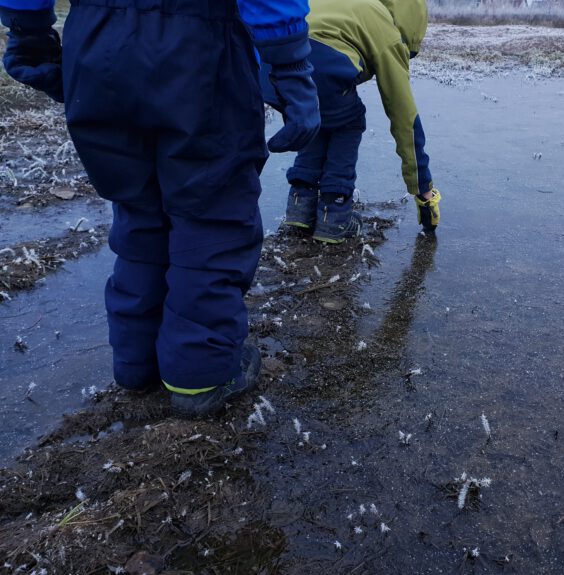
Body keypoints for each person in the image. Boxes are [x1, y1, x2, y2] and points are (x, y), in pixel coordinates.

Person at [0, 0, 320, 418]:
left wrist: (27, 28)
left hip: (97, 39)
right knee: (212, 212)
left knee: (138, 206)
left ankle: (136, 364)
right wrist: (291, 65)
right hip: (200, 44)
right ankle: (198, 375)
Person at [259, 0, 442, 244]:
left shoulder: (351, 5)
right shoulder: (387, 30)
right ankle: (334, 215)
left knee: (321, 114)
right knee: (350, 121)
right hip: (314, 67)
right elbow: (404, 117)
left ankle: (300, 205)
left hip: (272, 71)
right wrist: (423, 189)